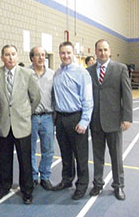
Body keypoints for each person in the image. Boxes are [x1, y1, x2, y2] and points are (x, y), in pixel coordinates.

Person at [0, 45, 41, 205]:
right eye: (7, 55)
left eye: (13, 54)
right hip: (3, 124)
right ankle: (4, 187)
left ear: (17, 56)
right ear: (2, 57)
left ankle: (27, 191)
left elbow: (36, 97)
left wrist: (26, 113)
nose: (10, 57)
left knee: (25, 160)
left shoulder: (27, 74)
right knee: (4, 159)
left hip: (22, 125)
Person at [87, 39, 132, 200]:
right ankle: (97, 184)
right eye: (100, 50)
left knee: (116, 157)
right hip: (96, 121)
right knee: (97, 156)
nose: (103, 53)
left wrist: (127, 117)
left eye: (105, 50)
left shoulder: (120, 69)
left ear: (110, 51)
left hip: (114, 121)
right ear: (95, 51)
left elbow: (127, 95)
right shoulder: (89, 71)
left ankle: (118, 186)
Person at [52, 41, 93, 200]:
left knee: (80, 155)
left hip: (77, 117)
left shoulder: (82, 73)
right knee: (65, 153)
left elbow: (88, 99)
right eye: (63, 53)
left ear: (73, 53)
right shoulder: (57, 73)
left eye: (68, 53)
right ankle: (67, 179)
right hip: (61, 119)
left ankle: (82, 185)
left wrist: (84, 121)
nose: (66, 56)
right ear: (59, 54)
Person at [28, 46, 54, 190]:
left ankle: (45, 176)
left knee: (48, 149)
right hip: (30, 117)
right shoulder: (25, 73)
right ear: (32, 57)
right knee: (29, 149)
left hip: (47, 117)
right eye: (37, 55)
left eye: (43, 55)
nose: (41, 58)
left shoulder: (52, 74)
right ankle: (33, 176)